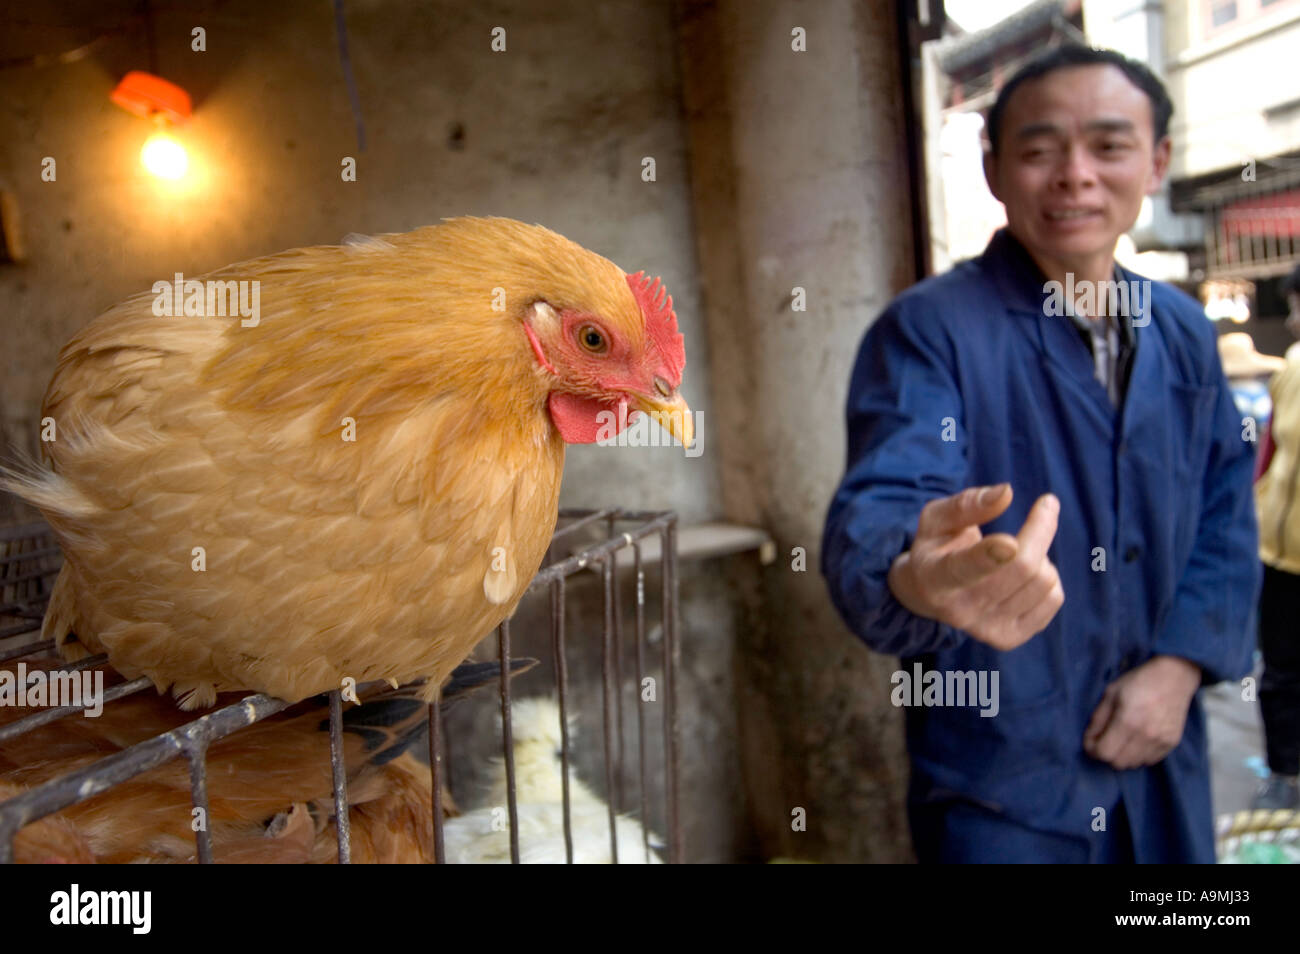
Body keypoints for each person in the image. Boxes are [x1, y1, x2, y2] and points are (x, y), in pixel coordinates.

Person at [822, 45, 1260, 863]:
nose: (1075, 175)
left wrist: (1179, 666)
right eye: (1038, 149)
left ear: (1157, 162)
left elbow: (1225, 507)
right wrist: (915, 574)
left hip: (1161, 754)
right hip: (1003, 778)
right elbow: (885, 504)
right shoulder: (930, 331)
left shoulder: (1184, 332)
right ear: (993, 170)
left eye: (1109, 145)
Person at [1252, 264, 1300, 810]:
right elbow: (1270, 455)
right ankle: (1283, 773)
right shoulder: (1290, 371)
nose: (1292, 321)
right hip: (1278, 555)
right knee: (1281, 671)